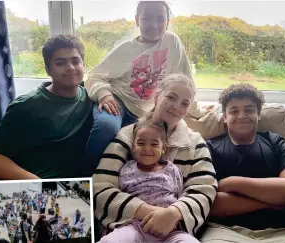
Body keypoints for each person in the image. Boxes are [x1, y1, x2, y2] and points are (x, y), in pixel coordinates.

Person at [93, 74, 217, 240]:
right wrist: (152, 213)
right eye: (171, 97)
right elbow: (101, 185)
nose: (176, 106)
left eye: (184, 103)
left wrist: (174, 213)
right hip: (130, 226)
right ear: (157, 96)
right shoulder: (128, 135)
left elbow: (204, 189)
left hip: (174, 230)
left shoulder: (194, 142)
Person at [85, 0, 197, 173]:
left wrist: (198, 111)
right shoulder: (125, 49)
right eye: (147, 18)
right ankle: (87, 178)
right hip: (119, 100)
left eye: (160, 19)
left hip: (148, 110)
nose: (154, 24)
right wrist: (104, 94)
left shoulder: (171, 41)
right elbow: (93, 76)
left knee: (146, 146)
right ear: (137, 20)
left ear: (168, 21)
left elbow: (185, 79)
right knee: (107, 127)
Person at [0, 34, 92, 179]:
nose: (70, 68)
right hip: (28, 190)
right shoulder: (25, 106)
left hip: (72, 190)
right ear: (48, 70)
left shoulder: (91, 96)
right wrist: (40, 185)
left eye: (76, 61)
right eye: (60, 63)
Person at [205, 84, 285, 234]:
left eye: (249, 109)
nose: (242, 115)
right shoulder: (208, 149)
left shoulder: (277, 143)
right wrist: (272, 201)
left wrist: (232, 182)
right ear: (225, 117)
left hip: (281, 231)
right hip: (225, 231)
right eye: (234, 111)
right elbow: (206, 202)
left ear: (258, 114)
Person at [99, 120, 200, 242]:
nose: (147, 148)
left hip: (169, 230)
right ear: (133, 148)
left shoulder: (172, 169)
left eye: (154, 144)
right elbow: (120, 195)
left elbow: (179, 194)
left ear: (164, 148)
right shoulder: (126, 169)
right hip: (135, 227)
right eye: (141, 143)